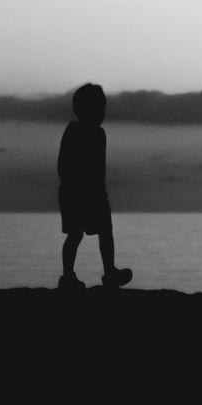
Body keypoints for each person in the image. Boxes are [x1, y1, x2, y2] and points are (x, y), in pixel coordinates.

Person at [57, 83, 132, 290]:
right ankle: (68, 276)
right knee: (75, 234)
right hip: (75, 193)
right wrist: (72, 187)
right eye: (98, 108)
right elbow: (65, 164)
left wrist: (99, 192)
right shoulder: (74, 131)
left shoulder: (99, 134)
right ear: (83, 109)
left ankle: (109, 273)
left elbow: (99, 168)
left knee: (105, 230)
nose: (101, 113)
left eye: (102, 108)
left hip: (95, 193)